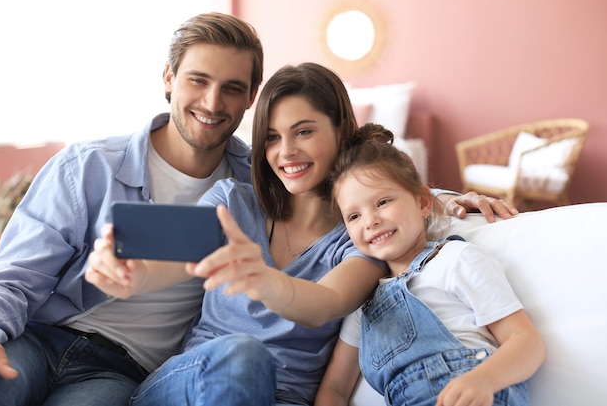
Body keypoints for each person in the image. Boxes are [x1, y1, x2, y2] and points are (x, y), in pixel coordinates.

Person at [86, 63, 521, 406]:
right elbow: (174, 264)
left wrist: (265, 279)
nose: (286, 152)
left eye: (304, 132)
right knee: (242, 355)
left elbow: (324, 304)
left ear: (341, 131)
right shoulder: (233, 204)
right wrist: (127, 273)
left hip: (286, 397)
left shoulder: (359, 237)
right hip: (190, 387)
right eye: (272, 137)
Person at [0, 11, 264, 406]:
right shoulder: (88, 165)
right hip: (39, 337)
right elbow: (17, 273)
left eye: (232, 88)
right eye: (198, 80)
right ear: (169, 78)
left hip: (119, 371)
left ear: (252, 96)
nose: (212, 102)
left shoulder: (258, 189)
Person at [315, 125, 545, 406]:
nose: (370, 220)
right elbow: (335, 389)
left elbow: (526, 341)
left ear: (424, 202)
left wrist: (483, 380)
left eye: (383, 202)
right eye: (353, 216)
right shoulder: (364, 304)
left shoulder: (456, 259)